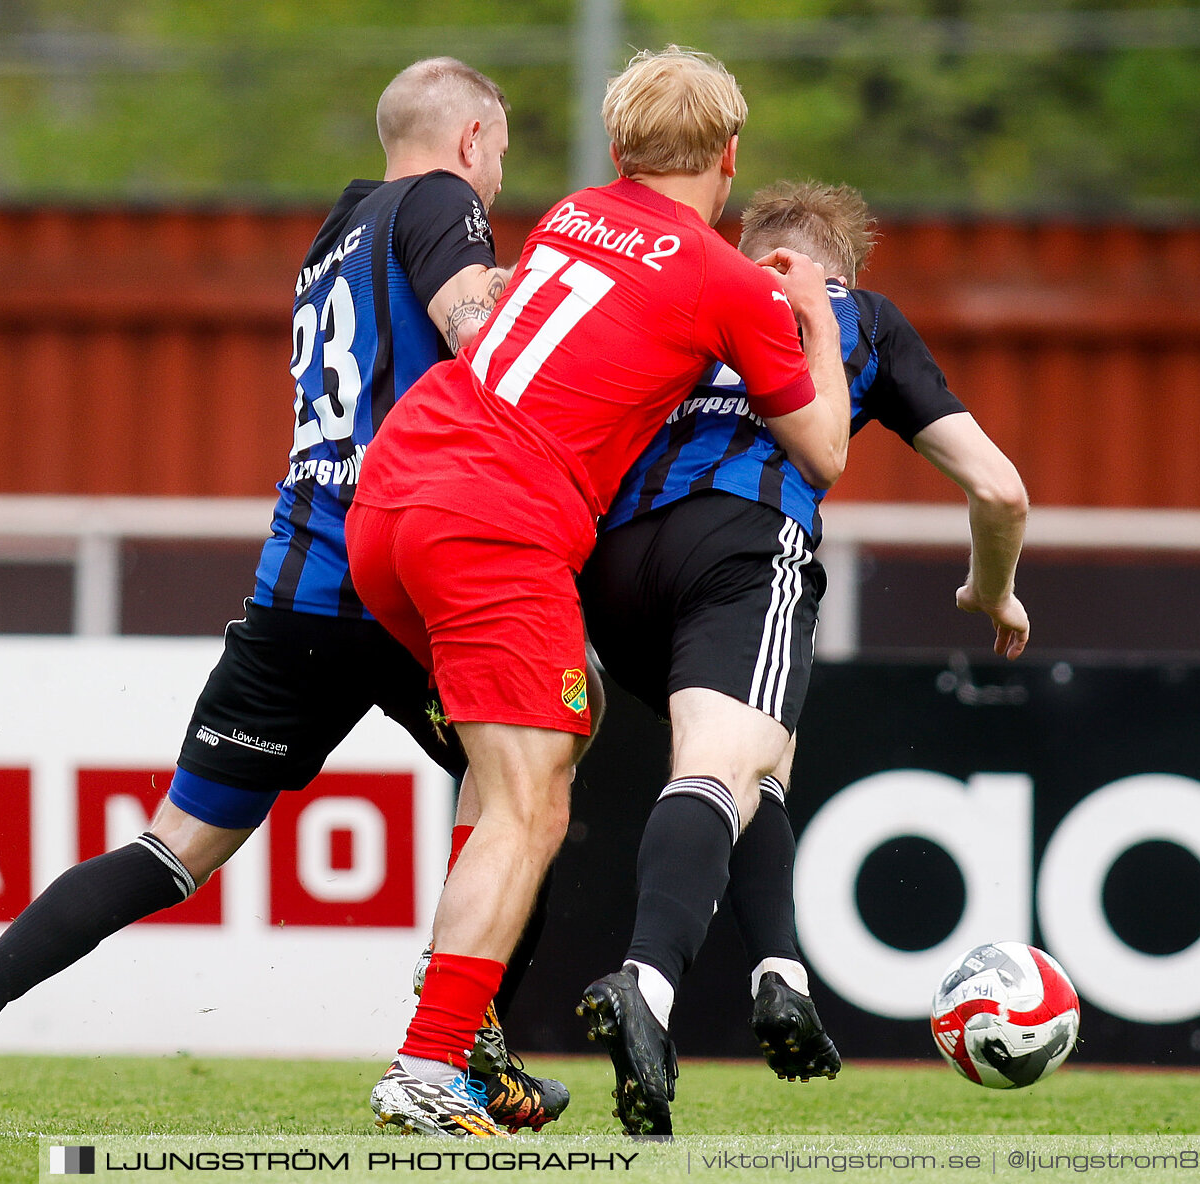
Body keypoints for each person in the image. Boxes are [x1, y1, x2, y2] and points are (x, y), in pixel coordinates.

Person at [0, 57, 566, 1134]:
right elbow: (479, 327)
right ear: (476, 136)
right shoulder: (443, 201)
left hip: (293, 592)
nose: (494, 185)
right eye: (499, 158)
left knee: (174, 849)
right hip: (402, 585)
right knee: (528, 791)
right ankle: (464, 1050)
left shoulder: (330, 241)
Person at [346, 47, 855, 1138]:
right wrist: (809, 309)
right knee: (534, 803)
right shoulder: (727, 279)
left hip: (397, 494)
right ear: (730, 156)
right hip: (495, 518)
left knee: (530, 758)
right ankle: (431, 1065)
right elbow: (821, 449)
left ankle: (455, 1044)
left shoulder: (576, 212)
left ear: (618, 149)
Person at [577, 180, 1031, 1135]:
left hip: (607, 566)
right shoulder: (858, 316)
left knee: (755, 762)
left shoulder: (679, 289)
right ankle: (647, 987)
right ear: (844, 269)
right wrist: (992, 591)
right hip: (740, 549)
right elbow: (1000, 492)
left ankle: (779, 975)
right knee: (718, 765)